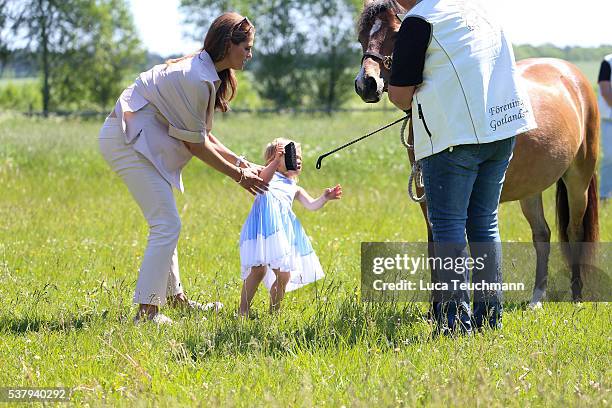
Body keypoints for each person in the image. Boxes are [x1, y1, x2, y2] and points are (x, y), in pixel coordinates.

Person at [98, 12, 268, 325]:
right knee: (167, 224)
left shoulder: (205, 72)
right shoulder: (197, 77)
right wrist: (239, 176)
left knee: (166, 222)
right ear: (230, 44)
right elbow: (196, 145)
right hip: (125, 140)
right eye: (246, 47)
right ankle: (146, 314)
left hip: (135, 138)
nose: (250, 54)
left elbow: (202, 134)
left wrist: (243, 163)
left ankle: (176, 301)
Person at [388, 0, 537, 333]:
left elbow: (400, 95)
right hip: (501, 132)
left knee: (448, 227)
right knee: (485, 224)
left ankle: (456, 322)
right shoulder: (481, 10)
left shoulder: (418, 21)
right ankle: (489, 319)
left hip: (454, 138)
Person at [238, 138, 342, 316]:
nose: (298, 160)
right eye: (291, 156)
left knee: (284, 274)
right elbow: (263, 180)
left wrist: (325, 198)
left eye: (299, 157)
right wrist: (276, 161)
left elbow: (311, 205)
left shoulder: (294, 187)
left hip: (281, 232)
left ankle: (273, 313)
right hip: (263, 229)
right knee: (258, 270)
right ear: (275, 160)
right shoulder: (267, 174)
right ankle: (243, 311)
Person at [598, 54, 612, 200]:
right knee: (609, 157)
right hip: (610, 120)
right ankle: (604, 195)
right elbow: (605, 91)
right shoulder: (608, 62)